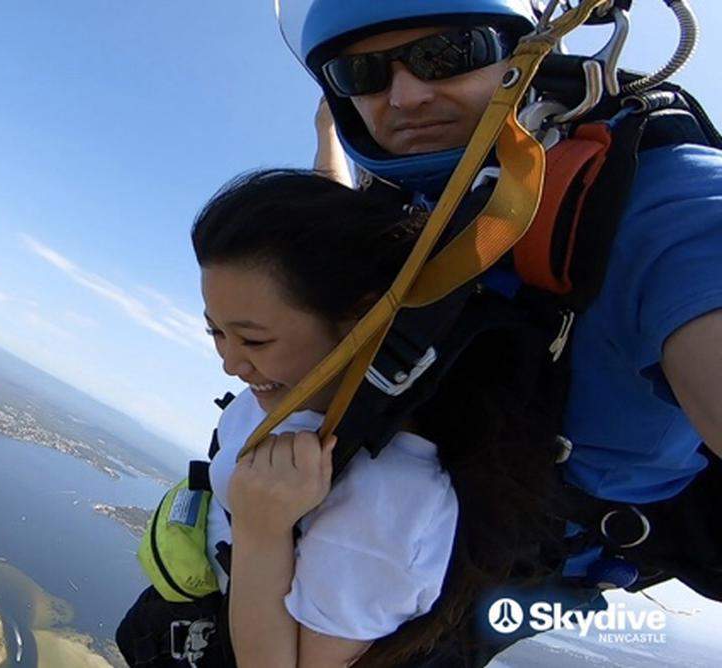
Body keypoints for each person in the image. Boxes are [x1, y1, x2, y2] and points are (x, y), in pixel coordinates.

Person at [281, 0, 722, 661]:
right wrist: (326, 129)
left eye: (447, 55)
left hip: (526, 562)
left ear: (525, 53)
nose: (403, 96)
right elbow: (340, 220)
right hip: (407, 510)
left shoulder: (660, 203)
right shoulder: (430, 197)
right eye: (359, 74)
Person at [189, 169, 564, 667]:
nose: (231, 364)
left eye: (254, 340)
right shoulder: (293, 395)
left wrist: (261, 531)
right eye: (216, 331)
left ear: (362, 321)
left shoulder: (385, 507)